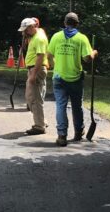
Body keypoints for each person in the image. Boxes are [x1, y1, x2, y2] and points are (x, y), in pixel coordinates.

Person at [47, 12, 98, 146]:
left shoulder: (56, 37)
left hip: (59, 77)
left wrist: (55, 66)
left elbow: (49, 55)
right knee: (77, 106)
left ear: (64, 23)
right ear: (77, 24)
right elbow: (87, 58)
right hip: (75, 78)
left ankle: (62, 136)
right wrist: (94, 52)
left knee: (60, 106)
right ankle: (78, 132)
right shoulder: (81, 38)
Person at [19, 17, 49, 135]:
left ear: (32, 27)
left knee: (35, 99)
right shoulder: (35, 36)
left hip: (36, 70)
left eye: (26, 30)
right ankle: (41, 121)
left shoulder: (39, 38)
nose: (24, 32)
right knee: (31, 98)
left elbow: (40, 57)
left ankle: (39, 126)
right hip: (33, 69)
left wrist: (33, 74)